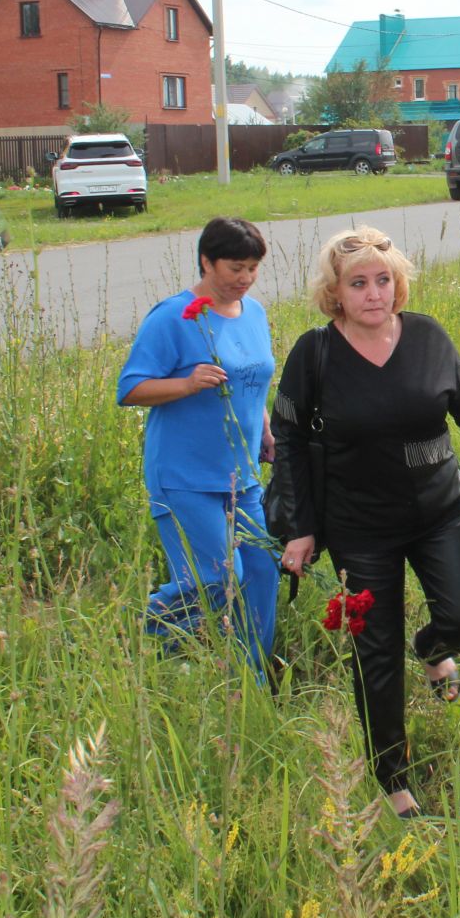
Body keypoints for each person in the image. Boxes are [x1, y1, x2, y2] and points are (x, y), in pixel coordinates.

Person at [267, 226, 460, 818]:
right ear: (335, 292)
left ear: (399, 283)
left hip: (442, 511)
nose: (374, 293)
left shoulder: (427, 336)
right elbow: (288, 437)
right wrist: (299, 524)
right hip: (359, 527)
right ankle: (392, 777)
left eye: (383, 280)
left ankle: (433, 646)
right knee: (375, 653)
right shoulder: (314, 353)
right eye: (358, 283)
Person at [118, 216, 281, 675]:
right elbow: (129, 388)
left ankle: (251, 676)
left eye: (252, 268)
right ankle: (144, 636)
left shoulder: (255, 314)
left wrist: (265, 430)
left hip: (242, 473)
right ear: (206, 262)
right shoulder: (172, 316)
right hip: (184, 475)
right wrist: (187, 384)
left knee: (263, 571)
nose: (245, 279)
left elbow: (252, 379)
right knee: (214, 578)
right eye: (235, 268)